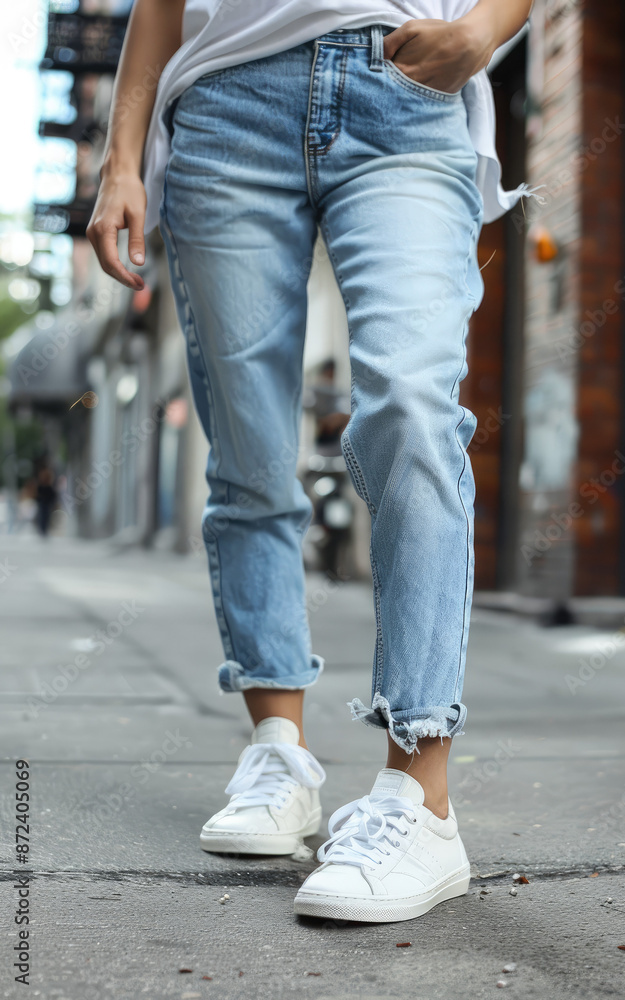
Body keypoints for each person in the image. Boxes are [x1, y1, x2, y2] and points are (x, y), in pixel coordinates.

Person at [88, 0, 535, 924]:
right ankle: (277, 757)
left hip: (405, 91)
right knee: (249, 455)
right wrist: (119, 158)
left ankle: (420, 797)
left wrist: (484, 29)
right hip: (223, 107)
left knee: (411, 407)